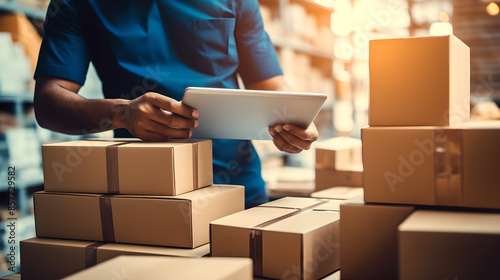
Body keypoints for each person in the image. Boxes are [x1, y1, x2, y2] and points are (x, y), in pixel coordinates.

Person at [33, 0, 319, 208]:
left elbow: (271, 85)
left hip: (238, 187)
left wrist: (297, 122)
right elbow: (48, 103)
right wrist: (121, 113)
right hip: (145, 195)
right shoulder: (76, 4)